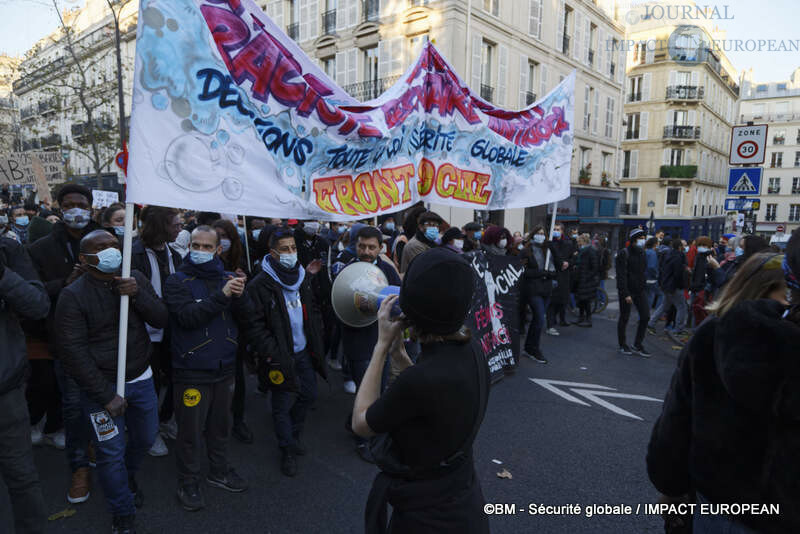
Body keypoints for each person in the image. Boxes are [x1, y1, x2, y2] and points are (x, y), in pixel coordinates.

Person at [647, 251, 800, 534]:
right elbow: (678, 423)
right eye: (785, 296)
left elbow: (674, 425)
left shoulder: (715, 335)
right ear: (762, 293)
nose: (785, 307)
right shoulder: (720, 337)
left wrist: (671, 488)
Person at [352, 248, 490, 534]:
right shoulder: (473, 349)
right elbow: (434, 397)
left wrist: (380, 348)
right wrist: (401, 357)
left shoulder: (419, 380)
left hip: (426, 517)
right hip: (463, 500)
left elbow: (362, 423)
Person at [55, 229, 168, 534]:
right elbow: (72, 353)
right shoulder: (73, 296)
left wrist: (138, 294)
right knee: (109, 451)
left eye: (114, 246)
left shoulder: (134, 279)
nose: (111, 252)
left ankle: (127, 476)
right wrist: (105, 395)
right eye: (101, 248)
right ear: (84, 258)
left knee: (146, 437)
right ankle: (122, 510)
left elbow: (161, 318)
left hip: (140, 378)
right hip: (101, 390)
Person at [163, 226, 250, 511]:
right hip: (191, 370)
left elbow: (246, 317)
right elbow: (188, 317)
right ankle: (188, 481)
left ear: (218, 250)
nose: (200, 251)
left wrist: (242, 294)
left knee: (220, 426)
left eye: (206, 246)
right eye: (195, 245)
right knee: (189, 431)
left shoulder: (228, 278)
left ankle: (219, 471)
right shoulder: (176, 280)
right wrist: (223, 296)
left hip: (224, 368)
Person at [27, 184, 101, 504]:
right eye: (69, 204)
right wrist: (65, 283)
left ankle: (100, 451)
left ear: (91, 207)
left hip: (105, 338)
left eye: (81, 204)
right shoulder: (41, 248)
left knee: (105, 402)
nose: (76, 210)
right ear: (59, 209)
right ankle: (79, 467)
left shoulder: (111, 241)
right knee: (73, 406)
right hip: (66, 341)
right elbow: (33, 293)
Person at [244, 229, 326, 477]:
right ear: (273, 253)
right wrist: (272, 352)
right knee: (281, 404)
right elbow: (254, 325)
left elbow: (312, 310)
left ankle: (292, 433)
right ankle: (287, 449)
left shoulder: (302, 278)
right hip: (280, 356)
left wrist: (316, 333)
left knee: (309, 395)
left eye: (293, 248)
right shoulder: (260, 284)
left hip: (303, 353)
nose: (291, 254)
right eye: (285, 249)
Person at [337, 226, 402, 462]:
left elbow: (399, 298)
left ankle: (353, 421)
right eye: (361, 246)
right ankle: (362, 439)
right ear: (355, 245)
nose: (365, 251)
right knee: (368, 389)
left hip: (380, 340)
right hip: (357, 340)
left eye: (371, 247)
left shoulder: (386, 270)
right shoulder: (347, 270)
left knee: (379, 388)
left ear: (380, 248)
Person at [0, 236, 50, 534]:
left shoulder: (7, 249)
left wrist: (3, 276)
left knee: (20, 476)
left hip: (6, 393)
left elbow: (38, 305)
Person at [131, 206, 183, 456]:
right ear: (161, 226)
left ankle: (165, 421)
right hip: (143, 333)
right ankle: (149, 433)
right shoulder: (133, 254)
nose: (180, 229)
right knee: (149, 387)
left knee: (175, 378)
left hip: (172, 331)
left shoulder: (175, 253)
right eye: (175, 224)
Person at [616, 228, 651, 357]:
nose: (643, 240)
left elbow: (642, 272)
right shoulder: (624, 253)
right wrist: (625, 293)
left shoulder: (642, 253)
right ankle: (622, 344)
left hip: (640, 290)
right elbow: (621, 275)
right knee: (624, 317)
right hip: (627, 291)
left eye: (644, 238)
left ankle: (637, 344)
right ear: (634, 239)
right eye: (641, 238)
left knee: (646, 316)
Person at [521, 226, 553, 362]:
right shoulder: (526, 251)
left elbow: (554, 269)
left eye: (543, 233)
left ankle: (529, 347)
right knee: (539, 318)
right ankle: (534, 349)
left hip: (546, 289)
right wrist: (541, 273)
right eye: (538, 233)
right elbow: (522, 271)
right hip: (532, 290)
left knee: (537, 320)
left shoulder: (548, 251)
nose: (540, 236)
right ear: (533, 235)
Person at [547, 223, 574, 333]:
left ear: (562, 231)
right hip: (553, 274)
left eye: (557, 229)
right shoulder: (550, 243)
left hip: (564, 275)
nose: (556, 231)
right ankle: (550, 323)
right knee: (552, 301)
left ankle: (557, 319)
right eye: (554, 229)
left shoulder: (568, 243)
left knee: (562, 300)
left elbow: (573, 258)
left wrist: (568, 263)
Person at [688, 236, 720, 327]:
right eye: (699, 245)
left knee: (699, 310)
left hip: (702, 288)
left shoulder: (709, 258)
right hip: (695, 286)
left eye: (703, 245)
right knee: (694, 310)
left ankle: (695, 330)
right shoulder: (699, 256)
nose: (701, 247)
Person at [573, 233, 599, 327]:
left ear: (583, 241)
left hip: (587, 280)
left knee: (586, 300)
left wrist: (587, 277)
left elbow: (595, 267)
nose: (578, 244)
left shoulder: (590, 251)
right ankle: (581, 317)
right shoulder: (582, 251)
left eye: (579, 242)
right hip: (581, 279)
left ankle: (588, 319)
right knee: (581, 300)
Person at [644, 237, 662, 310]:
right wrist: (656, 275)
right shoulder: (652, 253)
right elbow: (652, 267)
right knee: (659, 295)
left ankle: (642, 316)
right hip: (651, 278)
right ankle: (657, 313)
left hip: (644, 277)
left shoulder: (645, 251)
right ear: (655, 244)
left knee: (647, 297)